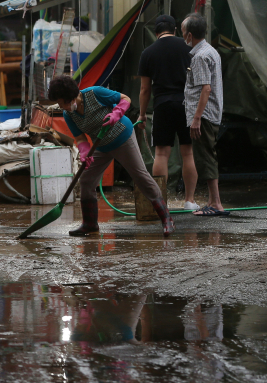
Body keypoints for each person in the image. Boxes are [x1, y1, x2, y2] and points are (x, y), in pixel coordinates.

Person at [48, 75, 175, 237]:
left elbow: (125, 99)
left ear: (72, 96)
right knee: (86, 180)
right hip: (100, 146)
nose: (64, 108)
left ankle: (167, 219)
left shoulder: (94, 93)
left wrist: (116, 113)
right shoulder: (69, 115)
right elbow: (79, 137)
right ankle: (90, 224)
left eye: (63, 103)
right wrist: (85, 151)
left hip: (122, 137)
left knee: (141, 177)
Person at [138, 15, 199, 211]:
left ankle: (160, 202)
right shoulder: (189, 48)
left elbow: (145, 90)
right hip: (185, 104)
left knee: (161, 155)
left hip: (162, 105)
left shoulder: (147, 53)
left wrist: (141, 114)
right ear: (174, 30)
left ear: (156, 32)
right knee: (187, 153)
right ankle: (189, 201)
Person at [181, 13, 227, 216]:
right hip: (211, 113)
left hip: (204, 115)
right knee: (207, 155)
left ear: (190, 35)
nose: (183, 36)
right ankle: (212, 201)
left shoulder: (199, 56)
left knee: (206, 157)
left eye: (183, 33)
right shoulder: (211, 51)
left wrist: (197, 118)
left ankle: (215, 203)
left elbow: (205, 89)